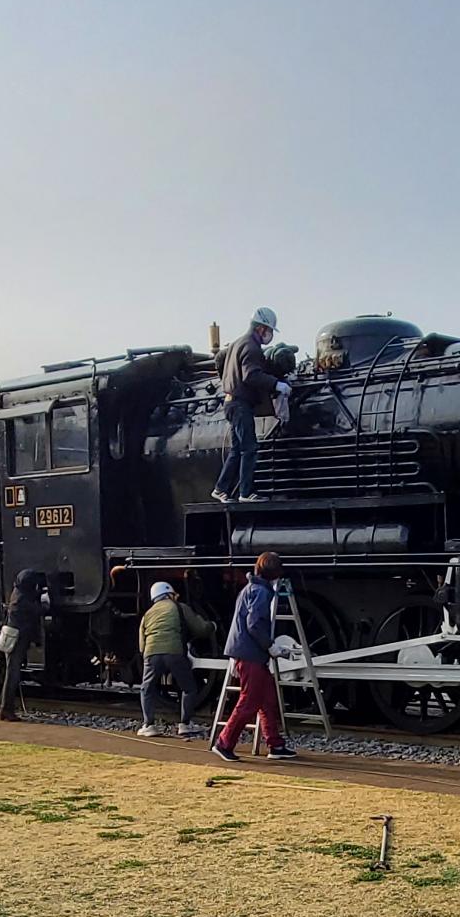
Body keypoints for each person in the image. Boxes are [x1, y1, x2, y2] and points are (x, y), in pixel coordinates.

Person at [212, 551, 297, 761]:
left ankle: (275, 745)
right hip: (251, 654)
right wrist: (270, 646)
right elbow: (254, 623)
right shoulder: (262, 592)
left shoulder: (250, 588)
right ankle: (224, 743)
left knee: (267, 699)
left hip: (247, 651)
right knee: (249, 700)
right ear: (275, 573)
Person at [212, 307, 291, 504]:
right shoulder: (251, 346)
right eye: (270, 331)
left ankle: (221, 489)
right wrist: (277, 384)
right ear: (262, 329)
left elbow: (220, 361)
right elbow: (251, 375)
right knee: (249, 448)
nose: (270, 335)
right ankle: (246, 493)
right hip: (241, 405)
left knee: (237, 449)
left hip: (231, 402)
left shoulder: (237, 344)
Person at [138, 581, 216, 738]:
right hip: (174, 653)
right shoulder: (179, 607)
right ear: (169, 594)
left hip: (151, 653)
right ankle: (185, 724)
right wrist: (212, 625)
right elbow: (200, 629)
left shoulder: (148, 614)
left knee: (147, 688)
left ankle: (148, 725)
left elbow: (141, 645)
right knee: (189, 688)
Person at [0, 569, 46, 722]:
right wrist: (46, 599)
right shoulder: (22, 600)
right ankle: (6, 709)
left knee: (11, 674)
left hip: (15, 638)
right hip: (17, 640)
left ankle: (2, 709)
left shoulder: (18, 594)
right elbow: (39, 610)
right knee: (13, 674)